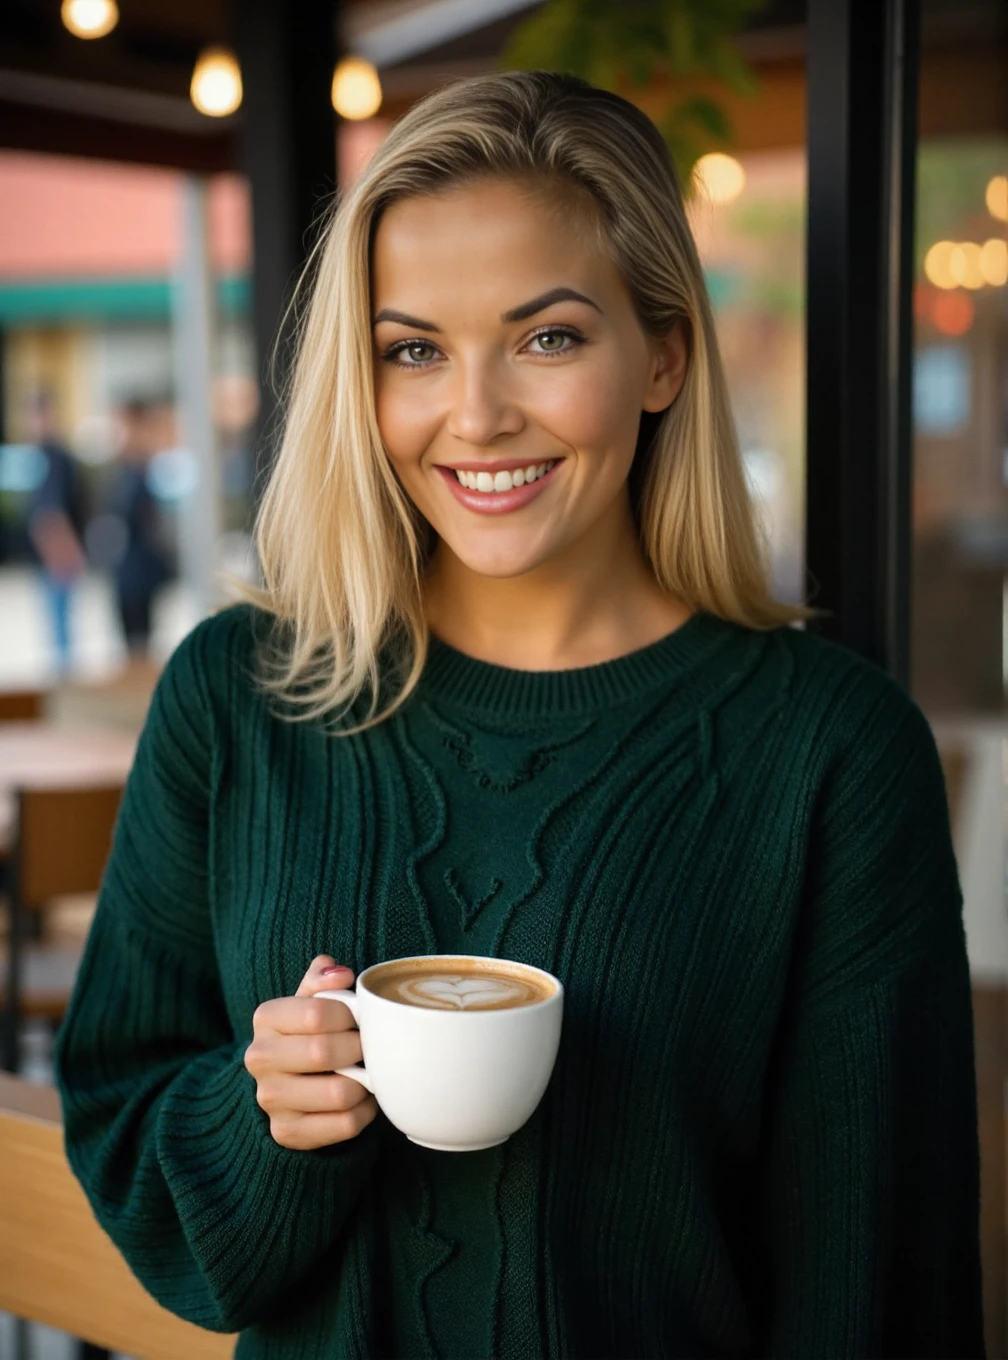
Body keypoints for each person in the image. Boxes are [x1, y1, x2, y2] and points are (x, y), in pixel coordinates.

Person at [55, 73, 985, 1358]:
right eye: (413, 350)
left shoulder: (830, 750)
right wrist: (263, 1119)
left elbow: (881, 1285)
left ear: (661, 355)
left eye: (548, 337)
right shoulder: (236, 695)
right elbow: (138, 1167)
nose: (477, 414)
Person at [103, 396, 172, 657]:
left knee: (139, 645)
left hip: (138, 574)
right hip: (126, 570)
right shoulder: (125, 470)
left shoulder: (140, 471)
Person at [24, 388, 87, 673]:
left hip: (57, 554)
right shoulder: (41, 455)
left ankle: (66, 679)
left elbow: (53, 513)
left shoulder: (54, 456)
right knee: (58, 624)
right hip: (50, 553)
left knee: (61, 627)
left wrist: (64, 553)